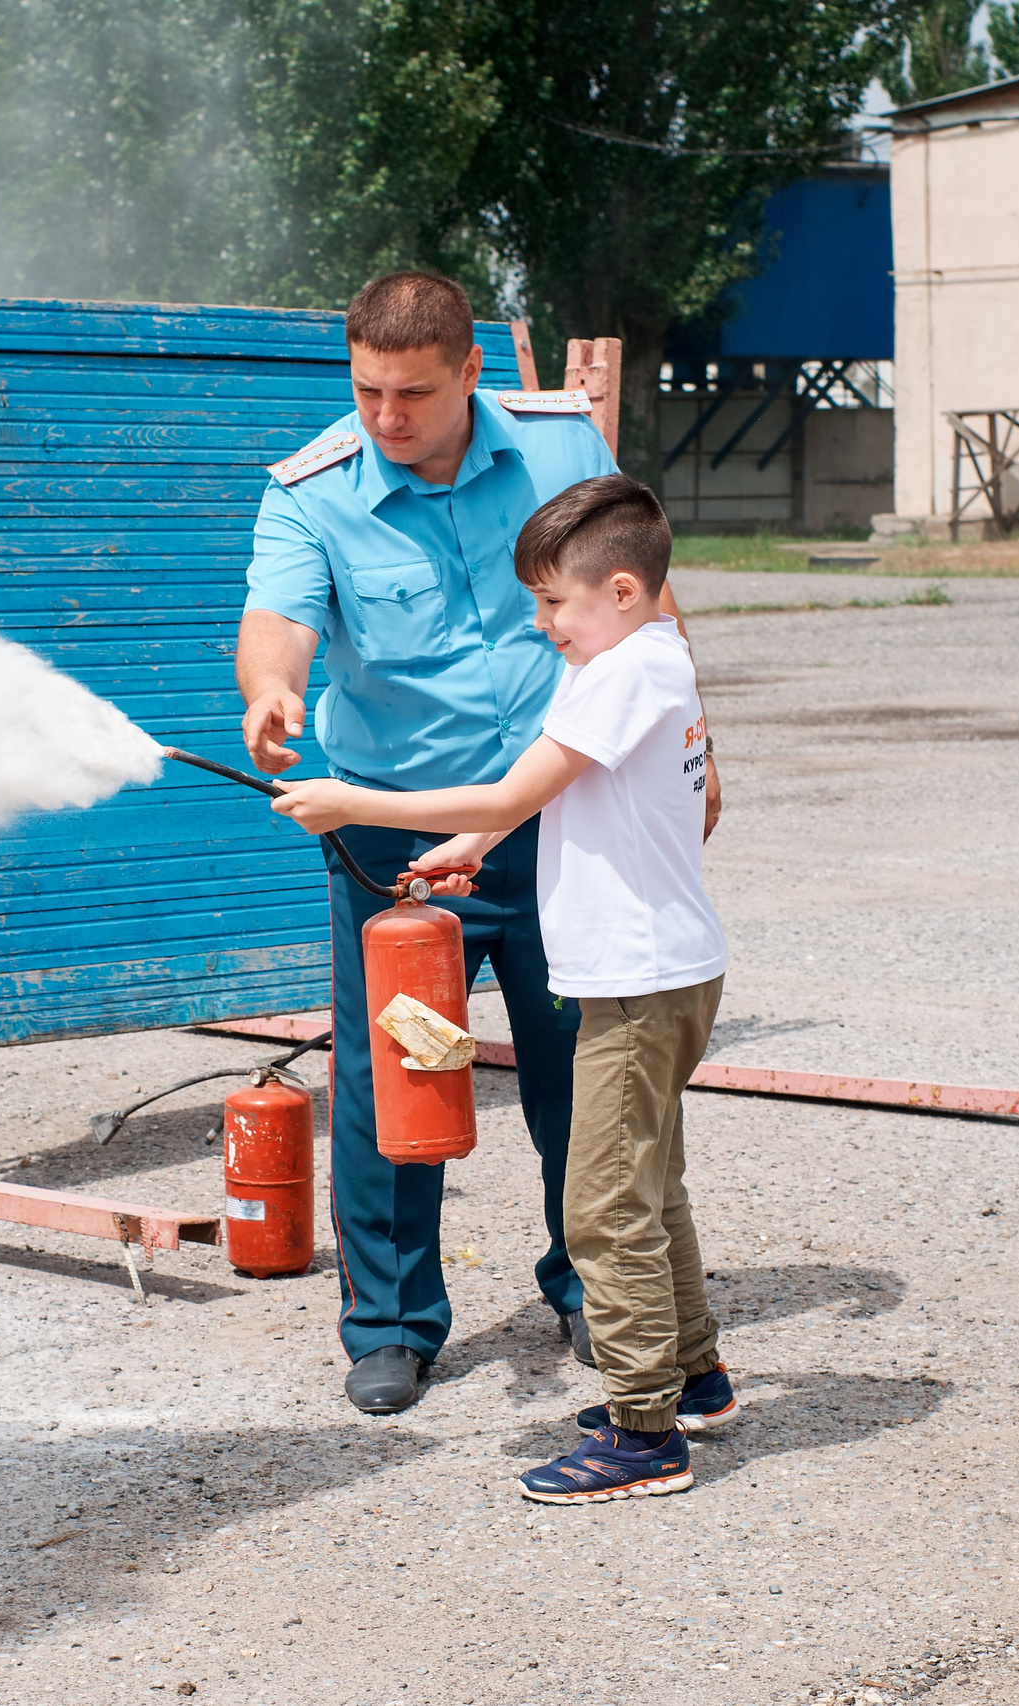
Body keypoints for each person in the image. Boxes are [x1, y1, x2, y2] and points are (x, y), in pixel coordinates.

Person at [239, 271, 712, 1416]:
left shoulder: (559, 446)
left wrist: (703, 748)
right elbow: (276, 620)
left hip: (564, 827)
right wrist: (269, 692)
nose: (384, 416)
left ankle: (593, 1292)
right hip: (404, 848)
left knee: (579, 1079)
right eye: (366, 390)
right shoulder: (311, 489)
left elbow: (644, 599)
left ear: (468, 373)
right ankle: (392, 1322)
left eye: (410, 392)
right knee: (398, 1082)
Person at [272, 474, 734, 1503]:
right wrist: (464, 850)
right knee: (650, 1184)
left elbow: (511, 787)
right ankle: (693, 1375)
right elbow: (537, 787)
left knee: (604, 1204)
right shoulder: (630, 656)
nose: (540, 622)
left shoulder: (627, 670)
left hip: (638, 980)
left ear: (621, 590)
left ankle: (642, 1430)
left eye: (553, 602)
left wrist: (358, 799)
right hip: (661, 969)